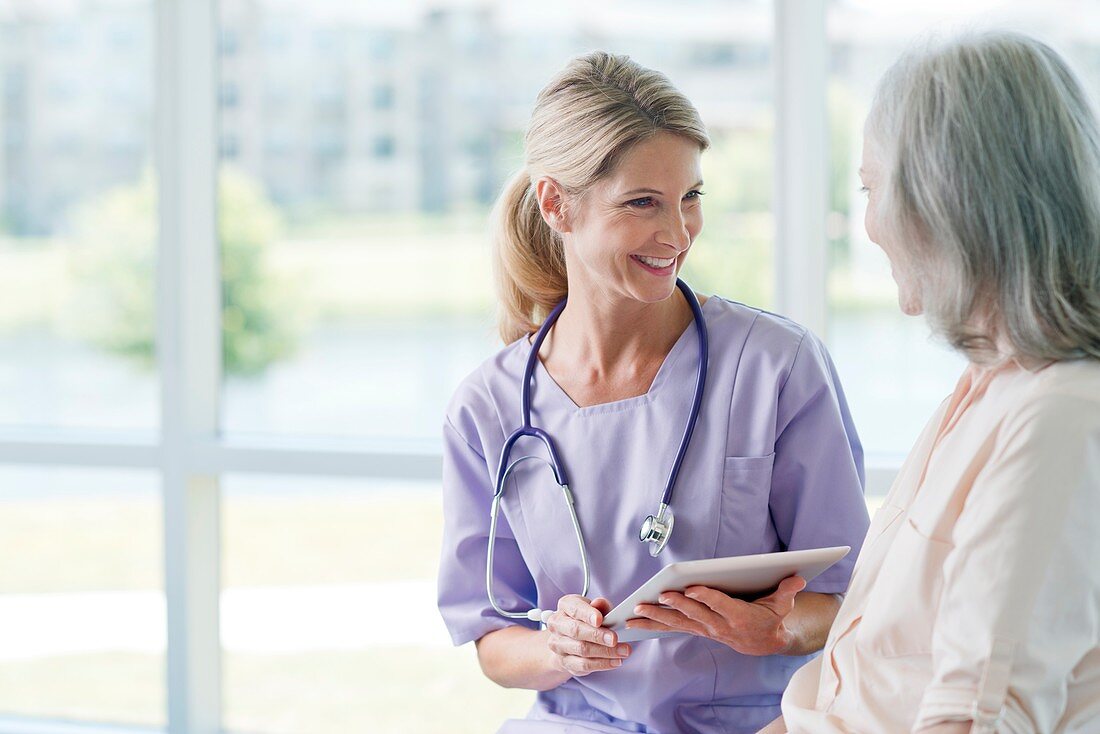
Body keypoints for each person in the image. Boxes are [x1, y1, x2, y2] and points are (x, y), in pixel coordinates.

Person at [437, 51, 870, 734]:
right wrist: (559, 648)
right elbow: (492, 638)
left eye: (690, 197)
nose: (677, 234)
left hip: (759, 723)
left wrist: (777, 630)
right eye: (642, 203)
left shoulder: (776, 368)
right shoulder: (488, 408)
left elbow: (852, 600)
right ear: (556, 204)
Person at [774, 32, 1100, 734]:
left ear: (944, 199)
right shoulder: (988, 385)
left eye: (870, 189)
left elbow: (974, 719)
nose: (868, 225)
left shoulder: (1060, 417)